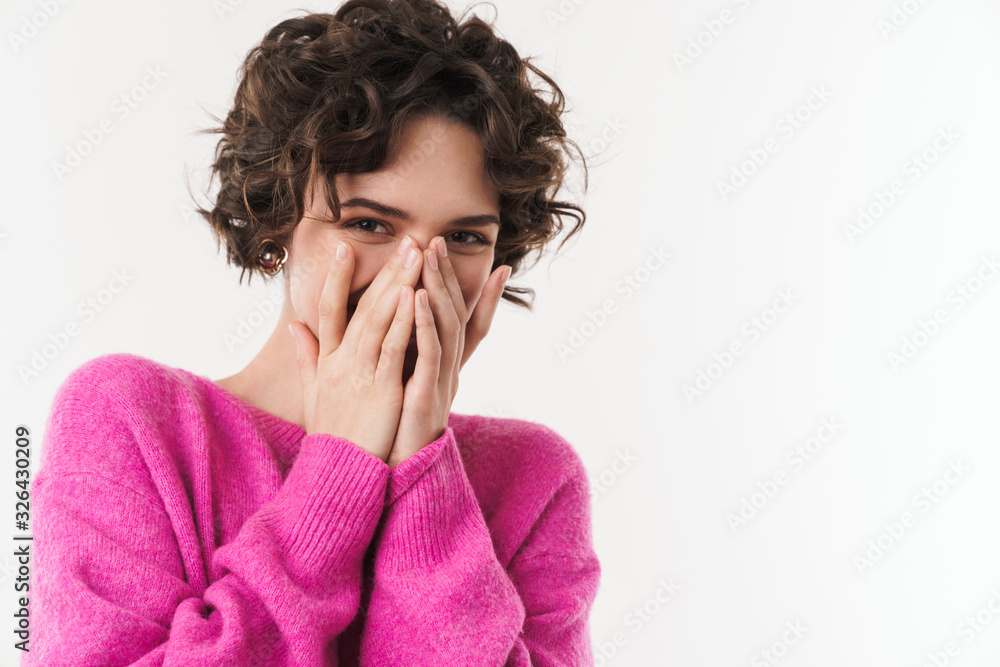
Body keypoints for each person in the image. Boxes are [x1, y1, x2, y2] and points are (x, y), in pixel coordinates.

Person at [24, 0, 600, 664]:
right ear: (276, 229)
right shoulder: (130, 417)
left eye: (464, 237)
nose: (415, 275)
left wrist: (425, 470)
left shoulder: (536, 479)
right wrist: (340, 470)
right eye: (369, 224)